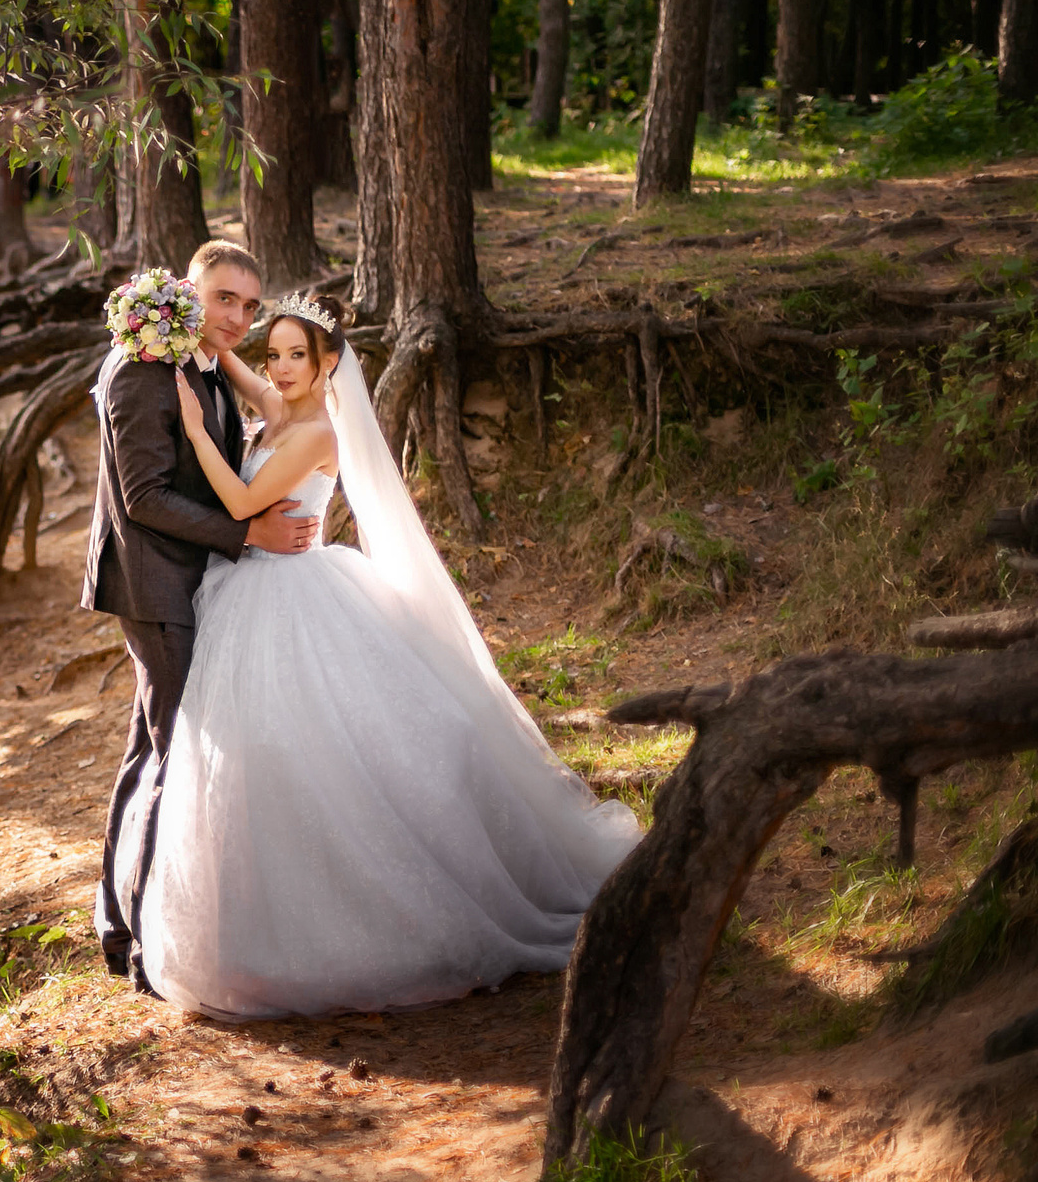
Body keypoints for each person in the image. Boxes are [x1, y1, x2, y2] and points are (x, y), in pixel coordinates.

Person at [126, 290, 640, 1018]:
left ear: (328, 362)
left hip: (293, 590)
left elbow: (241, 506)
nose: (279, 366)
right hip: (250, 590)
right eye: (275, 354)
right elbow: (250, 382)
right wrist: (203, 339)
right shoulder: (283, 409)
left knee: (328, 746)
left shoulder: (315, 433)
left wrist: (192, 428)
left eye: (297, 355)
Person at [82, 240, 317, 991]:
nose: (238, 318)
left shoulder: (205, 365)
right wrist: (248, 532)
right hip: (154, 587)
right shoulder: (141, 370)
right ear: (189, 289)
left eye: (250, 305)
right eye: (225, 299)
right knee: (178, 754)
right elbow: (143, 497)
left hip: (195, 584)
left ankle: (117, 926)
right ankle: (154, 942)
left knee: (146, 752)